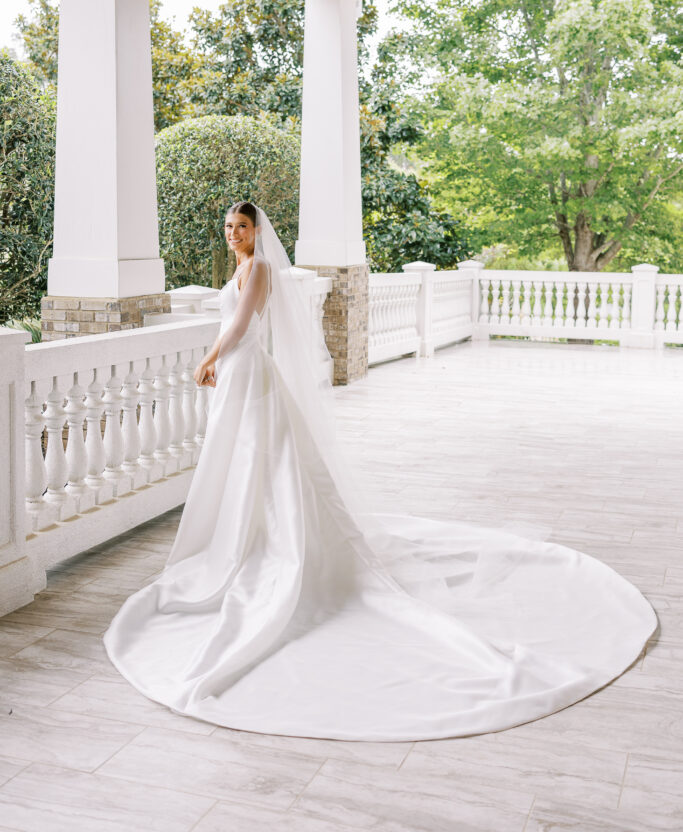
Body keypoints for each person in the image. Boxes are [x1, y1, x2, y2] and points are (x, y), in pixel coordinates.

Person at [103, 201, 657, 741]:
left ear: (257, 231)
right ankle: (244, 536)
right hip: (238, 371)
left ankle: (278, 542)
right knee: (245, 459)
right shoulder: (242, 265)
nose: (233, 234)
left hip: (245, 366)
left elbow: (244, 323)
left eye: (241, 226)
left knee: (265, 460)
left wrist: (208, 358)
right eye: (228, 226)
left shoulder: (263, 268)